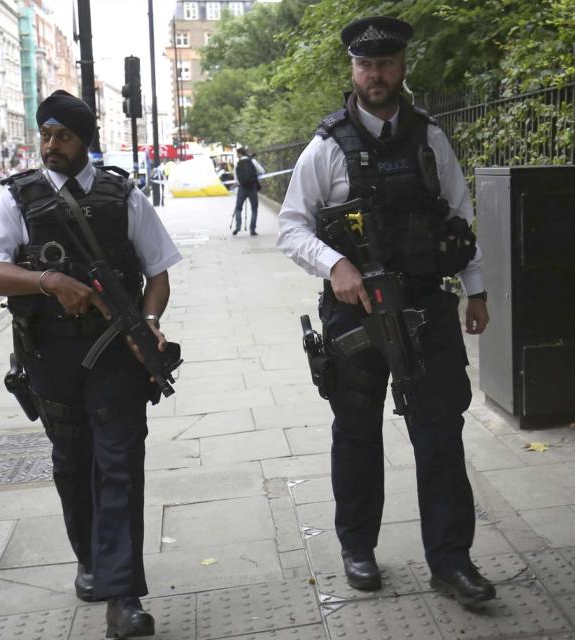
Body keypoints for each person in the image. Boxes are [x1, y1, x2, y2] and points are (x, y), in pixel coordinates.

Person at [277, 16, 495, 606]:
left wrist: (475, 290)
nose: (377, 74)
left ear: (402, 68)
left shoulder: (430, 137)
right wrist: (336, 267)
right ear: (352, 70)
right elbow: (291, 228)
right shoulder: (326, 146)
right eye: (366, 65)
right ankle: (357, 547)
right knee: (355, 429)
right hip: (355, 308)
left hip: (426, 302)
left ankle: (451, 561)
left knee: (440, 431)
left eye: (387, 63)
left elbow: (460, 217)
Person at [0, 90, 182, 639]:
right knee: (72, 462)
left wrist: (150, 320)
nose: (50, 145)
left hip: (115, 352)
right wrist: (48, 281)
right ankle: (91, 558)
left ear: (83, 140)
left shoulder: (122, 195)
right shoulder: (18, 198)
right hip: (50, 354)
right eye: (45, 135)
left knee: (119, 463)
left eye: (61, 136)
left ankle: (123, 594)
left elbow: (158, 271)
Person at [232, 147, 264, 236]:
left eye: (237, 154)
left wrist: (241, 183)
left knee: (238, 208)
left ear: (239, 154)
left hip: (242, 188)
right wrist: (254, 176)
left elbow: (236, 179)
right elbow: (262, 171)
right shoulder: (252, 161)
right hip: (252, 188)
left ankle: (238, 227)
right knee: (254, 209)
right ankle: (252, 229)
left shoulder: (237, 164)